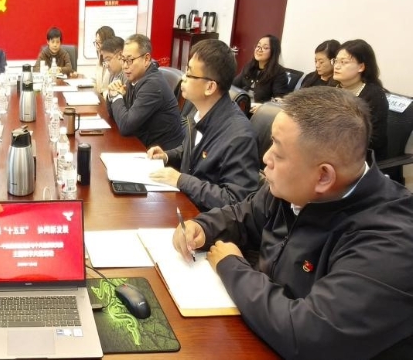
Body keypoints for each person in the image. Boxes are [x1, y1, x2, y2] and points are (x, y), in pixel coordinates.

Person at [172, 87, 413, 359]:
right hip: (261, 333)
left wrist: (232, 267)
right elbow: (244, 215)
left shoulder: (391, 242)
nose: (266, 158)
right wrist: (203, 228)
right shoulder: (294, 188)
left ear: (323, 176)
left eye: (278, 151)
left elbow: (309, 336)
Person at [146, 40, 259, 211]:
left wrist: (181, 180)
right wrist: (167, 156)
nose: (183, 78)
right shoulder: (198, 110)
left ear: (210, 87)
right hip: (186, 204)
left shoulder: (239, 135)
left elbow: (236, 201)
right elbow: (194, 151)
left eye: (189, 74)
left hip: (207, 219)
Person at [106, 34, 184, 150]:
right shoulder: (135, 78)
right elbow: (114, 115)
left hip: (160, 154)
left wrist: (117, 96)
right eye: (123, 60)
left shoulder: (153, 85)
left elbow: (126, 125)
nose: (125, 66)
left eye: (130, 60)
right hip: (141, 144)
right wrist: (111, 94)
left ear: (146, 59)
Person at [333, 39, 388, 160]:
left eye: (344, 62)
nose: (336, 66)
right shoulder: (332, 87)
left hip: (359, 157)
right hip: (330, 148)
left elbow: (375, 139)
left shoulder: (374, 95)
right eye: (335, 61)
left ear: (361, 67)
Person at [232, 35, 291, 104]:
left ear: (274, 51)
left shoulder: (279, 73)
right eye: (258, 46)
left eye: (265, 48)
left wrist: (262, 106)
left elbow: (280, 99)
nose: (259, 50)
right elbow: (233, 85)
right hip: (242, 105)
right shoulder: (249, 67)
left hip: (260, 110)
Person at [99, 36, 125, 100]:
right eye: (105, 61)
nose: (106, 65)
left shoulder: (127, 75)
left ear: (120, 55)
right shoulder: (113, 74)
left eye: (108, 59)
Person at [94, 26, 116, 94]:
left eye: (100, 42)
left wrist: (103, 94)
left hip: (108, 98)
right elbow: (95, 79)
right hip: (99, 97)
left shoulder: (115, 62)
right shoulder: (99, 59)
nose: (97, 46)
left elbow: (114, 88)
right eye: (96, 42)